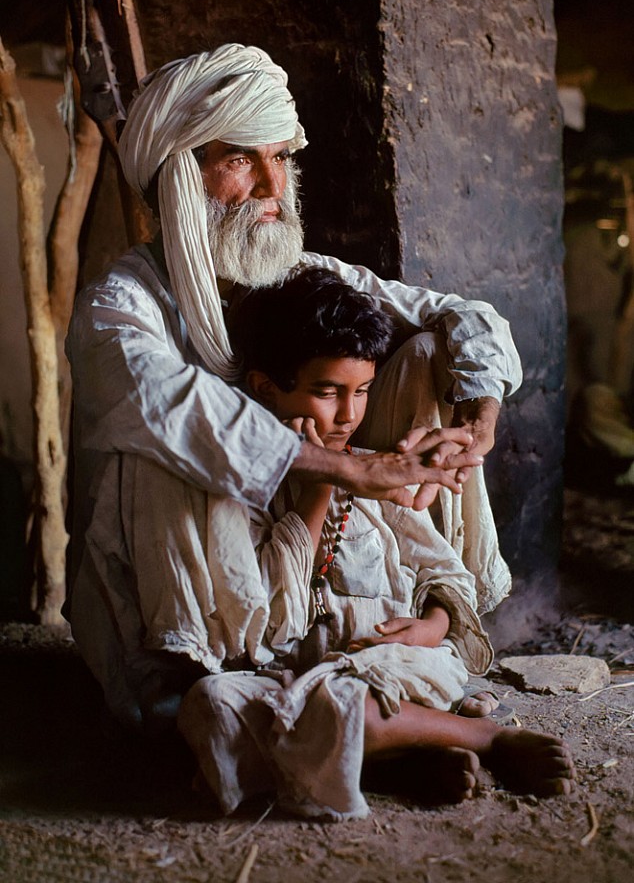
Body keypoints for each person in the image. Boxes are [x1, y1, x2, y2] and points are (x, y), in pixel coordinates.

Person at [65, 43, 522, 730]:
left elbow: (465, 316)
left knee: (437, 351)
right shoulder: (119, 305)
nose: (273, 188)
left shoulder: (300, 270)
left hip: (319, 545)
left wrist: (480, 423)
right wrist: (348, 468)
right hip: (207, 578)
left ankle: (394, 628)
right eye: (242, 159)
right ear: (179, 175)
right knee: (159, 434)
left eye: (281, 158)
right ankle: (208, 673)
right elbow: (168, 400)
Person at [177, 267, 575, 819]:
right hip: (293, 678)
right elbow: (272, 623)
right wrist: (321, 486)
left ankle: (485, 738)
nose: (348, 414)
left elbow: (444, 572)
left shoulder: (377, 472)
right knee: (211, 707)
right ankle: (399, 757)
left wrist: (433, 625)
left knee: (345, 708)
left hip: (396, 668)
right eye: (326, 392)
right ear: (265, 388)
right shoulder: (241, 496)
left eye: (361, 392)